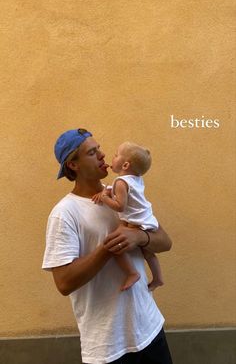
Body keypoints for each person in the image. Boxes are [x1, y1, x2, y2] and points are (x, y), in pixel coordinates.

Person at [42, 128, 173, 364]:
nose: (102, 155)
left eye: (100, 149)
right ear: (73, 164)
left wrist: (140, 238)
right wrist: (106, 249)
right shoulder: (64, 213)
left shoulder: (122, 192)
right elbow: (63, 283)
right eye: (92, 152)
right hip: (107, 346)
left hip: (150, 328)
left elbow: (165, 241)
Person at [92, 141, 164, 292]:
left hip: (134, 222)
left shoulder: (120, 182)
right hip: (146, 219)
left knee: (114, 246)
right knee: (148, 253)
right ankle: (158, 278)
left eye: (116, 155)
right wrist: (108, 189)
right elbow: (125, 191)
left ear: (125, 165)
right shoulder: (136, 179)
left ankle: (132, 273)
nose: (112, 157)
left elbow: (120, 206)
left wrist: (104, 198)